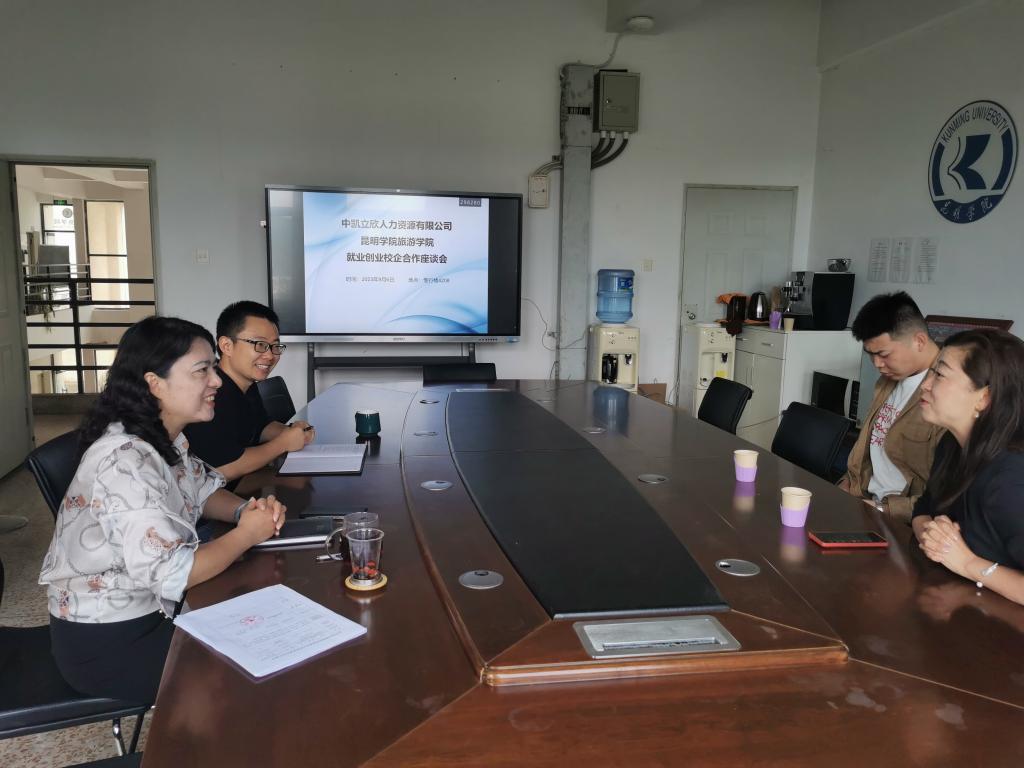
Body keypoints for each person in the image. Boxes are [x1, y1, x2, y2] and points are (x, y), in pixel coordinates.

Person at [39, 316, 286, 703]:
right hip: (110, 641)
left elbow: (203, 491)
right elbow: (175, 573)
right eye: (202, 371)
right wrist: (246, 535)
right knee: (256, 674)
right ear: (155, 382)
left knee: (267, 628)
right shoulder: (125, 461)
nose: (216, 381)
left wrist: (244, 512)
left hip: (156, 611)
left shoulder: (165, 437)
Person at [913, 328, 1024, 606]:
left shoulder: (1010, 480)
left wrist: (968, 563)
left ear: (984, 398)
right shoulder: (951, 445)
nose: (925, 385)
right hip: (958, 604)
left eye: (940, 375)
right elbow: (924, 508)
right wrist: (932, 536)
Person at [839, 292, 944, 523]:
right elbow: (868, 451)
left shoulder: (946, 395)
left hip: (904, 522)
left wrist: (883, 509)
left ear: (919, 341)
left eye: (883, 354)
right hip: (865, 504)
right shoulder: (888, 382)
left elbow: (945, 496)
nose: (877, 364)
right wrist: (846, 485)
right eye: (871, 355)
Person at [184, 301, 313, 487]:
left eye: (275, 346)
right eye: (260, 344)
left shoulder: (246, 383)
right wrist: (283, 443)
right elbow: (223, 469)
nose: (270, 355)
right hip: (217, 496)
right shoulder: (209, 394)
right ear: (226, 345)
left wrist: (292, 432)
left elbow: (259, 427)